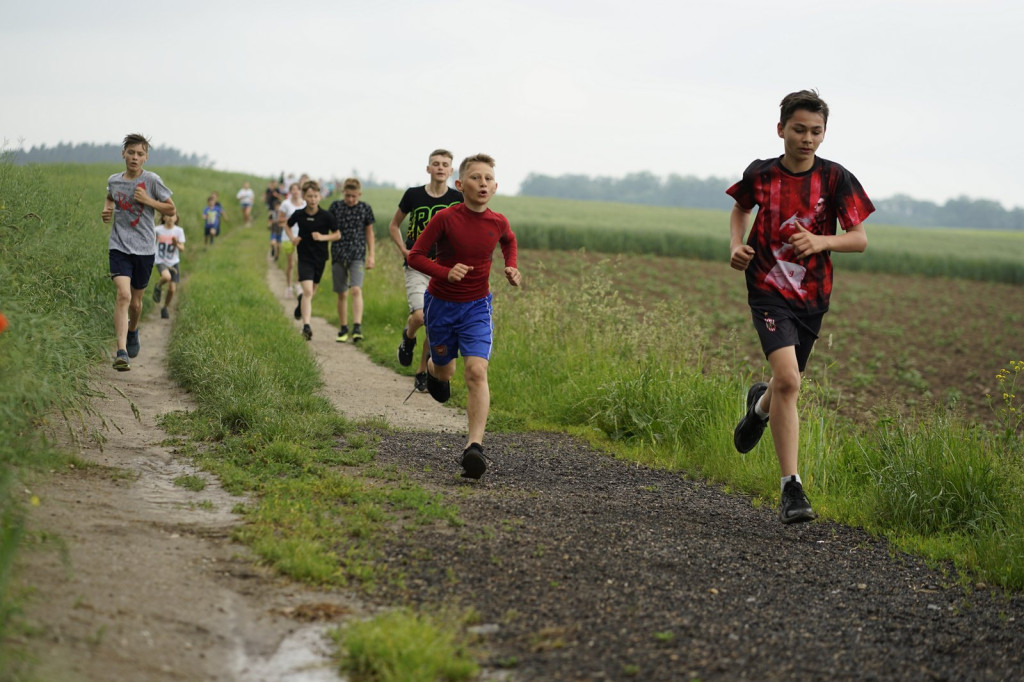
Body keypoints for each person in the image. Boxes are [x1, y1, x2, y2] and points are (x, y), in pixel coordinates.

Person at [727, 89, 874, 524]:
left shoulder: (836, 179)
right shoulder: (762, 174)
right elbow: (740, 209)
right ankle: (792, 487)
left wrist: (822, 241)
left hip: (812, 298)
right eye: (799, 129)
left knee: (783, 385)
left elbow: (859, 239)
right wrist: (737, 245)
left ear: (824, 134)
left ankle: (758, 408)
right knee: (789, 381)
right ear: (781, 130)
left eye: (816, 131)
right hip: (767, 289)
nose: (807, 138)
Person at [407, 153, 520, 480]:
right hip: (441, 306)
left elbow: (508, 241)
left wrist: (510, 265)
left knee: (475, 371)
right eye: (475, 178)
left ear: (495, 186)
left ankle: (475, 448)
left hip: (477, 307)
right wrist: (444, 272)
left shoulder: (498, 221)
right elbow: (415, 256)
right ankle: (431, 369)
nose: (482, 183)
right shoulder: (445, 218)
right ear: (460, 185)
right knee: (445, 371)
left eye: (488, 179)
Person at [388, 149, 463, 392]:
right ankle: (408, 337)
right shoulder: (413, 195)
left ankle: (422, 371)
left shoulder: (458, 199)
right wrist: (403, 249)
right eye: (435, 164)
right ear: (428, 168)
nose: (440, 168)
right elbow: (394, 225)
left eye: (445, 164)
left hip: (443, 269)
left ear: (451, 171)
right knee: (420, 317)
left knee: (434, 323)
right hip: (417, 265)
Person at [101, 133, 175, 371]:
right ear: (123, 154)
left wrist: (148, 201)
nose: (134, 157)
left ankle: (133, 331)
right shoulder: (114, 180)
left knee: (136, 302)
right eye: (131, 152)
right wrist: (107, 209)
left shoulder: (152, 180)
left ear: (146, 157)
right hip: (119, 246)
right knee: (123, 295)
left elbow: (171, 209)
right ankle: (121, 351)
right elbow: (110, 196)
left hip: (144, 248)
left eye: (140, 154)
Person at [285, 180, 339, 340]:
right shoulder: (299, 214)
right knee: (308, 291)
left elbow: (337, 234)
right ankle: (306, 326)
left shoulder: (327, 216)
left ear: (320, 197)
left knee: (310, 293)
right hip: (304, 257)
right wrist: (292, 238)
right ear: (304, 197)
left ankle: (301, 302)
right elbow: (287, 225)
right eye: (309, 196)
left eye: (315, 196)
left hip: (320, 258)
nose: (312, 199)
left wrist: (323, 237)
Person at [327, 178, 375, 343]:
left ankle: (357, 326)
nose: (350, 199)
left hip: (358, 255)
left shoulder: (365, 208)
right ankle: (343, 328)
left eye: (354, 196)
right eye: (347, 196)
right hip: (338, 253)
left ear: (359, 194)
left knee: (356, 289)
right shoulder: (335, 207)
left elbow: (369, 232)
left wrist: (371, 255)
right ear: (343, 194)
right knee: (342, 292)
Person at [152, 211, 186, 319]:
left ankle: (165, 307)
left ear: (176, 218)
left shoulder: (179, 231)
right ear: (163, 217)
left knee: (172, 289)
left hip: (174, 261)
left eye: (173, 216)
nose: (170, 218)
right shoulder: (157, 230)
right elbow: (151, 241)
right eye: (168, 215)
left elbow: (182, 249)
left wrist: (176, 244)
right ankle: (158, 286)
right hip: (161, 260)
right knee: (167, 277)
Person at [278, 182, 306, 297]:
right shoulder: (285, 204)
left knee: (301, 262)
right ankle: (288, 287)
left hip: (301, 237)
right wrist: (290, 219)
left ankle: (297, 284)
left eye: (297, 189)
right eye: (293, 189)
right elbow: (280, 220)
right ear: (290, 191)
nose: (295, 191)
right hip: (288, 237)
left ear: (300, 191)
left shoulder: (304, 204)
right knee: (291, 264)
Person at [267, 194, 283, 260]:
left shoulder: (282, 213)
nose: (278, 207)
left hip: (280, 231)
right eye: (277, 206)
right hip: (274, 230)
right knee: (273, 242)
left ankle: (277, 256)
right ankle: (273, 249)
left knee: (279, 246)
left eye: (279, 206)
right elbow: (269, 220)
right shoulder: (272, 213)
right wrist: (269, 224)